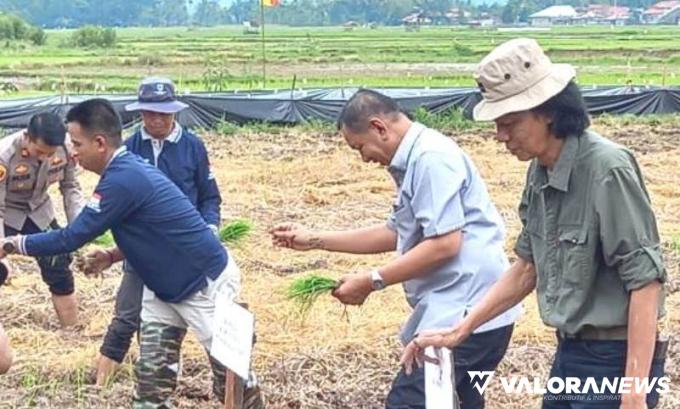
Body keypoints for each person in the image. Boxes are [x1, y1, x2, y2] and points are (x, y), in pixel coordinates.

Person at [401, 38, 667, 409]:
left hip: (615, 358)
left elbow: (646, 283)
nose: (500, 136)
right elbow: (528, 267)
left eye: (509, 122)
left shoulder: (607, 169)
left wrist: (634, 394)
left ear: (549, 112)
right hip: (571, 352)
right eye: (497, 124)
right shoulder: (540, 172)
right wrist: (461, 328)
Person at [0, 99, 261, 408]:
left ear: (99, 143)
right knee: (151, 383)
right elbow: (153, 232)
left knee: (232, 379)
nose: (72, 153)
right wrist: (112, 256)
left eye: (78, 144)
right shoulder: (125, 172)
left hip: (200, 282)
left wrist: (12, 245)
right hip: (163, 284)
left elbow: (72, 237)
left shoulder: (123, 179)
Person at [270, 89, 521, 409]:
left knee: (411, 401)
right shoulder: (416, 158)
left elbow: (445, 244)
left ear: (378, 127)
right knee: (459, 400)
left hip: (465, 314)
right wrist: (315, 239)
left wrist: (372, 280)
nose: (363, 157)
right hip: (470, 312)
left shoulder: (431, 158)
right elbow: (396, 232)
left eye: (359, 147)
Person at [94, 76, 222, 385]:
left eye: (163, 113)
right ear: (140, 114)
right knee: (126, 316)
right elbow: (115, 200)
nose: (156, 120)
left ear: (174, 112)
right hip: (142, 251)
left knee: (202, 320)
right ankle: (100, 386)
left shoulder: (192, 146)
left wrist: (208, 230)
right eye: (149, 113)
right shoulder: (129, 148)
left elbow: (209, 196)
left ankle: (224, 381)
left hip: (185, 251)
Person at [0, 112, 84, 328]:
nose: (44, 159)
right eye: (39, 152)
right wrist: (2, 247)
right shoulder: (4, 155)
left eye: (50, 154)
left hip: (39, 211)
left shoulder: (67, 147)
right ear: (27, 136)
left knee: (58, 265)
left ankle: (72, 332)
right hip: (7, 212)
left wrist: (80, 228)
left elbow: (71, 188)